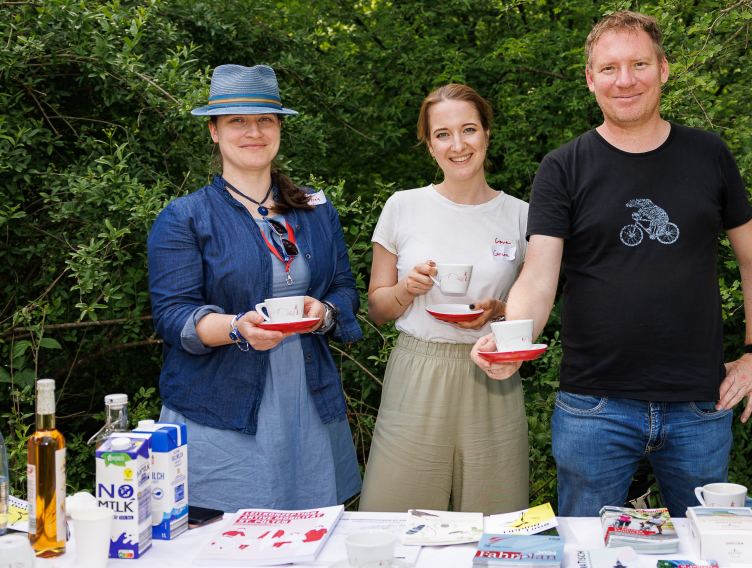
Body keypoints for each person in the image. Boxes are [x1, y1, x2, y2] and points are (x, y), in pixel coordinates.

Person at [471, 11, 752, 517]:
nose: (626, 80)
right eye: (609, 68)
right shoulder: (563, 167)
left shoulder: (709, 154)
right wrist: (512, 345)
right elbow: (540, 276)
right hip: (594, 407)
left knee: (704, 547)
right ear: (591, 79)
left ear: (663, 69)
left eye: (639, 64)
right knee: (585, 548)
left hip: (700, 404)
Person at [147, 64, 363, 512]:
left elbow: (344, 288)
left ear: (279, 127)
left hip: (307, 409)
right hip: (221, 413)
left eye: (265, 119)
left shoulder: (316, 209)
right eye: (237, 121)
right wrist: (236, 327)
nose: (253, 131)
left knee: (312, 543)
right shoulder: (185, 217)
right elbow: (172, 316)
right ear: (213, 131)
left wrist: (324, 313)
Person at [359, 84, 529, 514]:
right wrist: (405, 289)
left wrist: (500, 311)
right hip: (417, 372)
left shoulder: (522, 215)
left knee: (496, 520)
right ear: (429, 143)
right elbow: (377, 309)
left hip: (493, 375)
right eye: (442, 134)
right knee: (392, 518)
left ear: (487, 134)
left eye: (469, 129)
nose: (458, 145)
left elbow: (532, 304)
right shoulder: (402, 207)